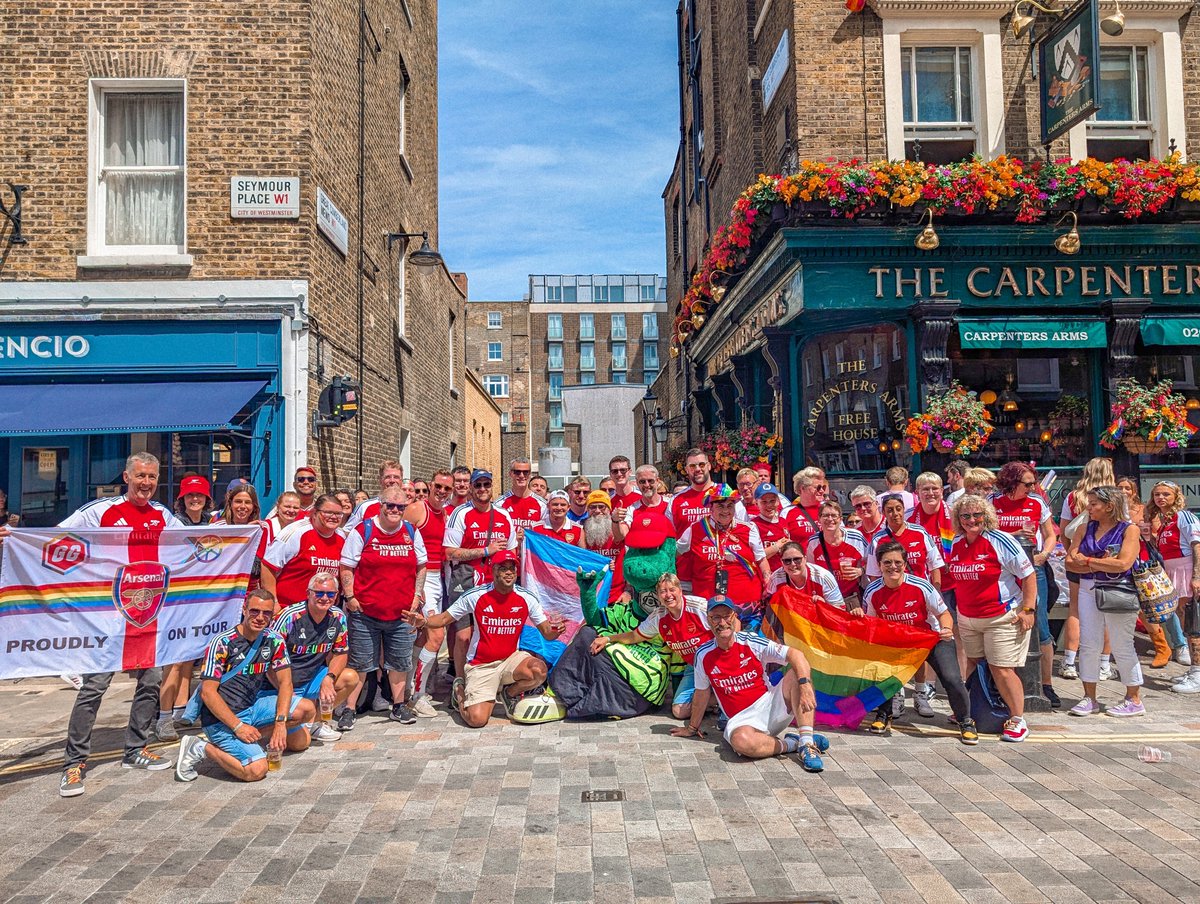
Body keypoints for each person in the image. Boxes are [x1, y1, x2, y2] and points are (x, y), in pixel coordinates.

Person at [55, 453, 184, 797]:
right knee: (95, 687)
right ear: (126, 477)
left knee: (151, 681)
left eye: (152, 477)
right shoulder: (99, 511)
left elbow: (192, 543)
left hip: (148, 612)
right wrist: (16, 537)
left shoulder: (163, 515)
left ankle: (135, 749)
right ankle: (73, 763)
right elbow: (54, 537)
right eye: (141, 476)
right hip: (107, 617)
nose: (147, 483)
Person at [404, 552, 565, 728]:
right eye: (503, 568)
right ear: (492, 570)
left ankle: (509, 694)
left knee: (538, 671)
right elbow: (443, 619)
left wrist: (556, 630)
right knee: (477, 720)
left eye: (512, 568)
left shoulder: (527, 598)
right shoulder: (476, 595)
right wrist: (425, 621)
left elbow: (547, 633)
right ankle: (459, 690)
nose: (509, 572)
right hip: (481, 665)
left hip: (510, 660)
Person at [174, 588, 315, 783]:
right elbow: (208, 693)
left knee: (306, 710)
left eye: (266, 613)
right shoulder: (222, 643)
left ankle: (252, 739)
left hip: (251, 707)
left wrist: (281, 723)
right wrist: (238, 726)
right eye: (254, 611)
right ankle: (199, 747)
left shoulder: (274, 640)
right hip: (221, 718)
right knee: (256, 771)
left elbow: (285, 682)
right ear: (244, 609)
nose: (260, 617)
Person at [674, 596, 828, 772]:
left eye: (727, 616)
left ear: (735, 618)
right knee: (741, 742)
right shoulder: (703, 655)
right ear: (708, 621)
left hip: (770, 705)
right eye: (715, 617)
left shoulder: (751, 641)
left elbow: (796, 654)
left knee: (796, 674)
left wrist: (805, 685)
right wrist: (692, 728)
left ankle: (807, 744)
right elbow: (701, 694)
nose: (722, 622)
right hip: (742, 720)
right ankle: (793, 743)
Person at [857, 541, 977, 744]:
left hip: (930, 639)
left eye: (897, 562)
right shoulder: (872, 592)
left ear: (905, 564)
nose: (892, 567)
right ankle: (884, 715)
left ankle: (966, 720)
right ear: (879, 565)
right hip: (897, 642)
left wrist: (947, 629)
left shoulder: (921, 586)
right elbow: (871, 623)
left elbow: (944, 614)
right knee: (880, 670)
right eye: (887, 562)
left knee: (951, 678)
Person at [945, 495, 1036, 742]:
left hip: (1001, 616)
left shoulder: (1001, 540)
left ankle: (1017, 719)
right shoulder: (956, 541)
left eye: (977, 515)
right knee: (974, 663)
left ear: (986, 515)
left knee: (1001, 668)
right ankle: (973, 709)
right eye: (965, 516)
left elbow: (1028, 575)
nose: (972, 520)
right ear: (958, 519)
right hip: (968, 616)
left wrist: (1028, 610)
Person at [339, 486, 427, 725]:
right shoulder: (363, 530)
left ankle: (398, 706)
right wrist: (350, 597)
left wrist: (417, 596)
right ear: (381, 505)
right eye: (391, 506)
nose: (395, 511)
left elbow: (421, 565)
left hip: (401, 613)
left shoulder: (411, 531)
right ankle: (349, 709)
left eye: (401, 507)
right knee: (359, 663)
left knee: (399, 662)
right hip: (366, 611)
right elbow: (347, 566)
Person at [1065, 487, 1147, 718]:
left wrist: (1088, 561)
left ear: (1109, 506)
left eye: (1093, 504)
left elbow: (1123, 564)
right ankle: (1089, 698)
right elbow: (1070, 562)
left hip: (1118, 590)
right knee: (1089, 643)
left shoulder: (1129, 530)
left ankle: (1133, 698)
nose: (1088, 508)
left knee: (1122, 644)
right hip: (1088, 589)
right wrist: (1101, 562)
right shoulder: (1084, 528)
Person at [590, 573, 711, 720]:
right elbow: (634, 636)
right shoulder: (659, 616)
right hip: (695, 667)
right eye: (663, 591)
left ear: (680, 590)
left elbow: (731, 622)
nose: (668, 595)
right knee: (679, 711)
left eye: (672, 590)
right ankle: (713, 700)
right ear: (658, 596)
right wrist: (608, 638)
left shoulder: (699, 606)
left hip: (716, 661)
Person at [443, 469, 517, 693]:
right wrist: (485, 550)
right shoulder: (461, 513)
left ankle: (493, 680)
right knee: (463, 635)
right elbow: (450, 552)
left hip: (495, 583)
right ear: (472, 488)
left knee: (494, 632)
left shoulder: (503, 515)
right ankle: (460, 682)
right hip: (465, 578)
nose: (482, 489)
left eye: (486, 484)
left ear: (492, 486)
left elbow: (512, 552)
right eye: (478, 485)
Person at [992, 462, 1058, 708]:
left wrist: (1044, 554)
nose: (1032, 488)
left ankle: (1046, 684)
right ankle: (1004, 684)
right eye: (1027, 484)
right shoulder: (993, 503)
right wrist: (1014, 534)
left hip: (1032, 566)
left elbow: (1050, 534)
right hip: (1002, 571)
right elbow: (986, 533)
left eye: (1034, 483)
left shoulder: (1037, 503)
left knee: (1040, 624)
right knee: (1004, 622)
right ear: (1011, 482)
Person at [269, 572, 357, 742]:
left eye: (330, 594)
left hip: (311, 677)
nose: (325, 598)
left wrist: (329, 678)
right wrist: (285, 690)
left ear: (337, 596)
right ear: (308, 593)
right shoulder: (289, 616)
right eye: (319, 593)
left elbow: (340, 653)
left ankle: (314, 723)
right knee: (299, 744)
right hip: (280, 684)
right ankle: (281, 727)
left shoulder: (338, 617)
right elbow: (268, 660)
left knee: (350, 677)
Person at [677, 489, 770, 631]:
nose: (726, 510)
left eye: (730, 506)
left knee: (747, 648)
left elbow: (762, 560)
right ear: (711, 508)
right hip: (710, 605)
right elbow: (675, 553)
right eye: (720, 506)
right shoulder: (695, 529)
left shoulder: (748, 529)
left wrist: (767, 583)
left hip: (747, 604)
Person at [1058, 457, 1116, 680]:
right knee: (1107, 610)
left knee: (1075, 610)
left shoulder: (1073, 497)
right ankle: (1103, 664)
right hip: (1106, 561)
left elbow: (1064, 531)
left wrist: (1072, 553)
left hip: (1078, 560)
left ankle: (1070, 661)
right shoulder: (1115, 498)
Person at [405, 470, 454, 716]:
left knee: (424, 639)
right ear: (430, 485)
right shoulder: (417, 509)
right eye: (439, 486)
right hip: (423, 577)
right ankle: (417, 695)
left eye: (447, 488)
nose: (442, 492)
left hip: (440, 578)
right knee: (436, 636)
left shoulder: (445, 513)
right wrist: (416, 585)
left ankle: (410, 688)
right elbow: (402, 541)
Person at [913, 471, 968, 678]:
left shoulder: (955, 514)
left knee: (956, 633)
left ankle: (962, 679)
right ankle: (928, 683)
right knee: (927, 635)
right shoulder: (910, 516)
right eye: (925, 489)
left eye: (935, 488)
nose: (930, 493)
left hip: (952, 584)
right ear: (917, 492)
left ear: (942, 491)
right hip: (922, 585)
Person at [1145, 481, 1199, 687]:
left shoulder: (1183, 516)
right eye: (1157, 494)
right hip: (1172, 569)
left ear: (1176, 496)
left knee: (1193, 620)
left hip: (1185, 569)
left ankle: (1197, 674)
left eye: (1166, 494)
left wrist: (1196, 576)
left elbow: (1197, 545)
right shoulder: (1165, 520)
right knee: (1184, 618)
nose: (1161, 498)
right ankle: (1194, 669)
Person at [260, 494, 346, 610]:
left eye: (338, 514)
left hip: (323, 611)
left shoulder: (341, 537)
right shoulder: (296, 532)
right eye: (328, 512)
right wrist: (274, 603)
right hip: (289, 609)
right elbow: (267, 566)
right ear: (315, 512)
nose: (333, 517)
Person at [866, 494, 943, 585]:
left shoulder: (920, 532)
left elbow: (935, 565)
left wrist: (936, 591)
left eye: (898, 509)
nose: (895, 514)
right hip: (892, 594)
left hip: (920, 592)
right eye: (890, 510)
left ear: (903, 509)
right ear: (883, 513)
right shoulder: (877, 539)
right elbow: (874, 574)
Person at [806, 501, 866, 609]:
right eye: (825, 515)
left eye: (834, 515)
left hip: (851, 598)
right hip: (827, 600)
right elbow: (810, 570)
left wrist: (860, 571)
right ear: (819, 519)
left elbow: (872, 562)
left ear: (840, 519)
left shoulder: (855, 537)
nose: (830, 519)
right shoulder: (813, 542)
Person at [766, 541, 844, 608]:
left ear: (805, 559)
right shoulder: (776, 579)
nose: (793, 564)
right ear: (782, 562)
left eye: (797, 559)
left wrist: (824, 605)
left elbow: (840, 610)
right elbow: (769, 607)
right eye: (787, 561)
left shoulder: (823, 577)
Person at [614, 464, 672, 542]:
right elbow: (621, 536)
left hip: (666, 552)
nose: (647, 485)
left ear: (657, 481)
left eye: (650, 481)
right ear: (637, 483)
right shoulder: (632, 509)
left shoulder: (670, 504)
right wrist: (615, 520)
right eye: (642, 481)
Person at [670, 448, 720, 537]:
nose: (697, 469)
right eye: (692, 466)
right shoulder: (676, 500)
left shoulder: (725, 494)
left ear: (709, 466)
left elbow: (740, 528)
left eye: (701, 465)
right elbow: (669, 535)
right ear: (687, 469)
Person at [344, 460, 406, 532]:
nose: (392, 480)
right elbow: (347, 532)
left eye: (396, 477)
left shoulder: (408, 506)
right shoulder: (364, 506)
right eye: (387, 477)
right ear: (380, 480)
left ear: (401, 480)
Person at [751, 484, 798, 573]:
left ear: (778, 502)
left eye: (772, 501)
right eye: (764, 502)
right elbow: (754, 557)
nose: (769, 505)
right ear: (756, 503)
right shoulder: (753, 525)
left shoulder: (783, 521)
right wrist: (776, 547)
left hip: (786, 574)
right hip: (767, 576)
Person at [498, 457, 548, 537]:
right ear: (510, 474)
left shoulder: (543, 505)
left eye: (525, 472)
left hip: (531, 549)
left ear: (530, 474)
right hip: (509, 549)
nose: (521, 476)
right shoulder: (499, 504)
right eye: (517, 472)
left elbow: (546, 535)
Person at [787, 467, 828, 547]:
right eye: (818, 487)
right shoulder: (787, 512)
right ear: (802, 488)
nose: (822, 491)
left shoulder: (830, 508)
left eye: (823, 487)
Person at [582, 490, 622, 560]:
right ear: (587, 510)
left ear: (609, 509)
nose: (597, 511)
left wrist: (616, 521)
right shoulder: (582, 530)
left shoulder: (619, 525)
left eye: (601, 507)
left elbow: (620, 536)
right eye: (593, 507)